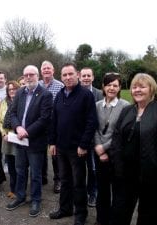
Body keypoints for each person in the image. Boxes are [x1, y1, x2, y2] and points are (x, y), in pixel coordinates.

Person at [109, 73, 157, 225]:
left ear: (152, 89)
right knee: (119, 215)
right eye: (134, 87)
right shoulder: (127, 110)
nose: (137, 90)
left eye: (142, 87)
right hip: (126, 176)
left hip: (154, 178)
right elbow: (117, 139)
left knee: (148, 218)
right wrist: (117, 164)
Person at [49, 63, 98, 225]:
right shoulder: (60, 95)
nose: (68, 77)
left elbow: (92, 122)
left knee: (78, 183)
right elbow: (54, 120)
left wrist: (83, 145)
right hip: (61, 148)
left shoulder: (86, 95)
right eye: (64, 75)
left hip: (78, 149)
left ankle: (81, 213)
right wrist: (52, 142)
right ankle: (65, 209)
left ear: (77, 74)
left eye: (70, 74)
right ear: (61, 77)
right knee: (65, 181)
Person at [5, 65, 53, 217]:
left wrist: (27, 132)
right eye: (26, 75)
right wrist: (18, 127)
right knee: (20, 171)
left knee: (36, 174)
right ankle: (20, 197)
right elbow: (12, 113)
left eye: (31, 74)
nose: (28, 77)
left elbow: (45, 119)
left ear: (37, 76)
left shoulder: (45, 94)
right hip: (20, 140)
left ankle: (36, 200)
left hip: (35, 141)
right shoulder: (19, 92)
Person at [94, 73, 129, 225]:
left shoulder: (126, 106)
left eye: (115, 85)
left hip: (117, 156)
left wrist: (104, 147)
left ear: (120, 87)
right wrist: (98, 147)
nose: (111, 88)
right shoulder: (97, 105)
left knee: (118, 191)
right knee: (102, 191)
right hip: (98, 154)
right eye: (109, 85)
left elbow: (121, 133)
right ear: (103, 86)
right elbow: (94, 128)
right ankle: (101, 219)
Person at [79, 67, 103, 207]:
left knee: (93, 169)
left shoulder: (99, 94)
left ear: (93, 77)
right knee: (79, 169)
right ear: (80, 77)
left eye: (89, 75)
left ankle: (92, 194)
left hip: (95, 139)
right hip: (79, 139)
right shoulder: (75, 93)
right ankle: (81, 193)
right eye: (84, 75)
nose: (86, 78)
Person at [39, 60, 64, 193]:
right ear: (41, 71)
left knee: (55, 155)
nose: (46, 70)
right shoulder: (38, 85)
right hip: (40, 125)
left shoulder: (60, 86)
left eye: (49, 68)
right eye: (44, 68)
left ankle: (58, 180)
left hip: (55, 125)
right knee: (41, 152)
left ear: (53, 70)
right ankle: (43, 177)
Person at [0, 80, 20, 199]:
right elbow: (0, 120)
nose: (12, 91)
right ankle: (12, 189)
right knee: (10, 165)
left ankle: (19, 189)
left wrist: (14, 134)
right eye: (9, 90)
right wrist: (3, 133)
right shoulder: (4, 103)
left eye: (14, 89)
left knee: (19, 166)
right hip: (6, 138)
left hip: (17, 138)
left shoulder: (21, 101)